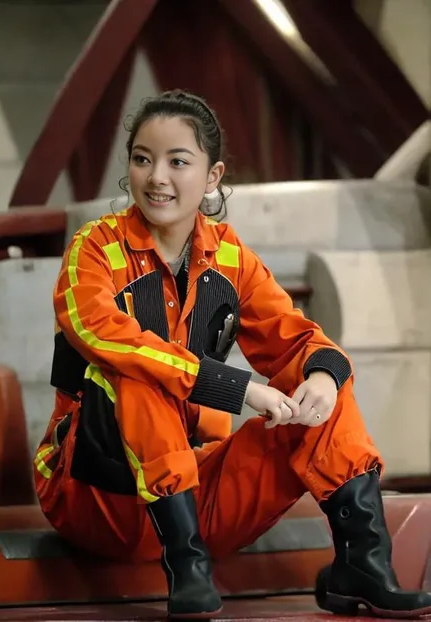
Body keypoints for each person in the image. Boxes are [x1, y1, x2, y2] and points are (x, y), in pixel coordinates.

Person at [35, 89, 431, 619]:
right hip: (96, 494)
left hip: (202, 497)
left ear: (213, 176)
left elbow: (298, 337)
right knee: (135, 372)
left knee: (323, 385)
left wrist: (323, 376)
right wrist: (237, 386)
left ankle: (363, 563)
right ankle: (187, 569)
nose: (157, 177)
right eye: (142, 159)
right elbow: (108, 336)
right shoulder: (94, 249)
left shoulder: (229, 255)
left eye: (178, 161)